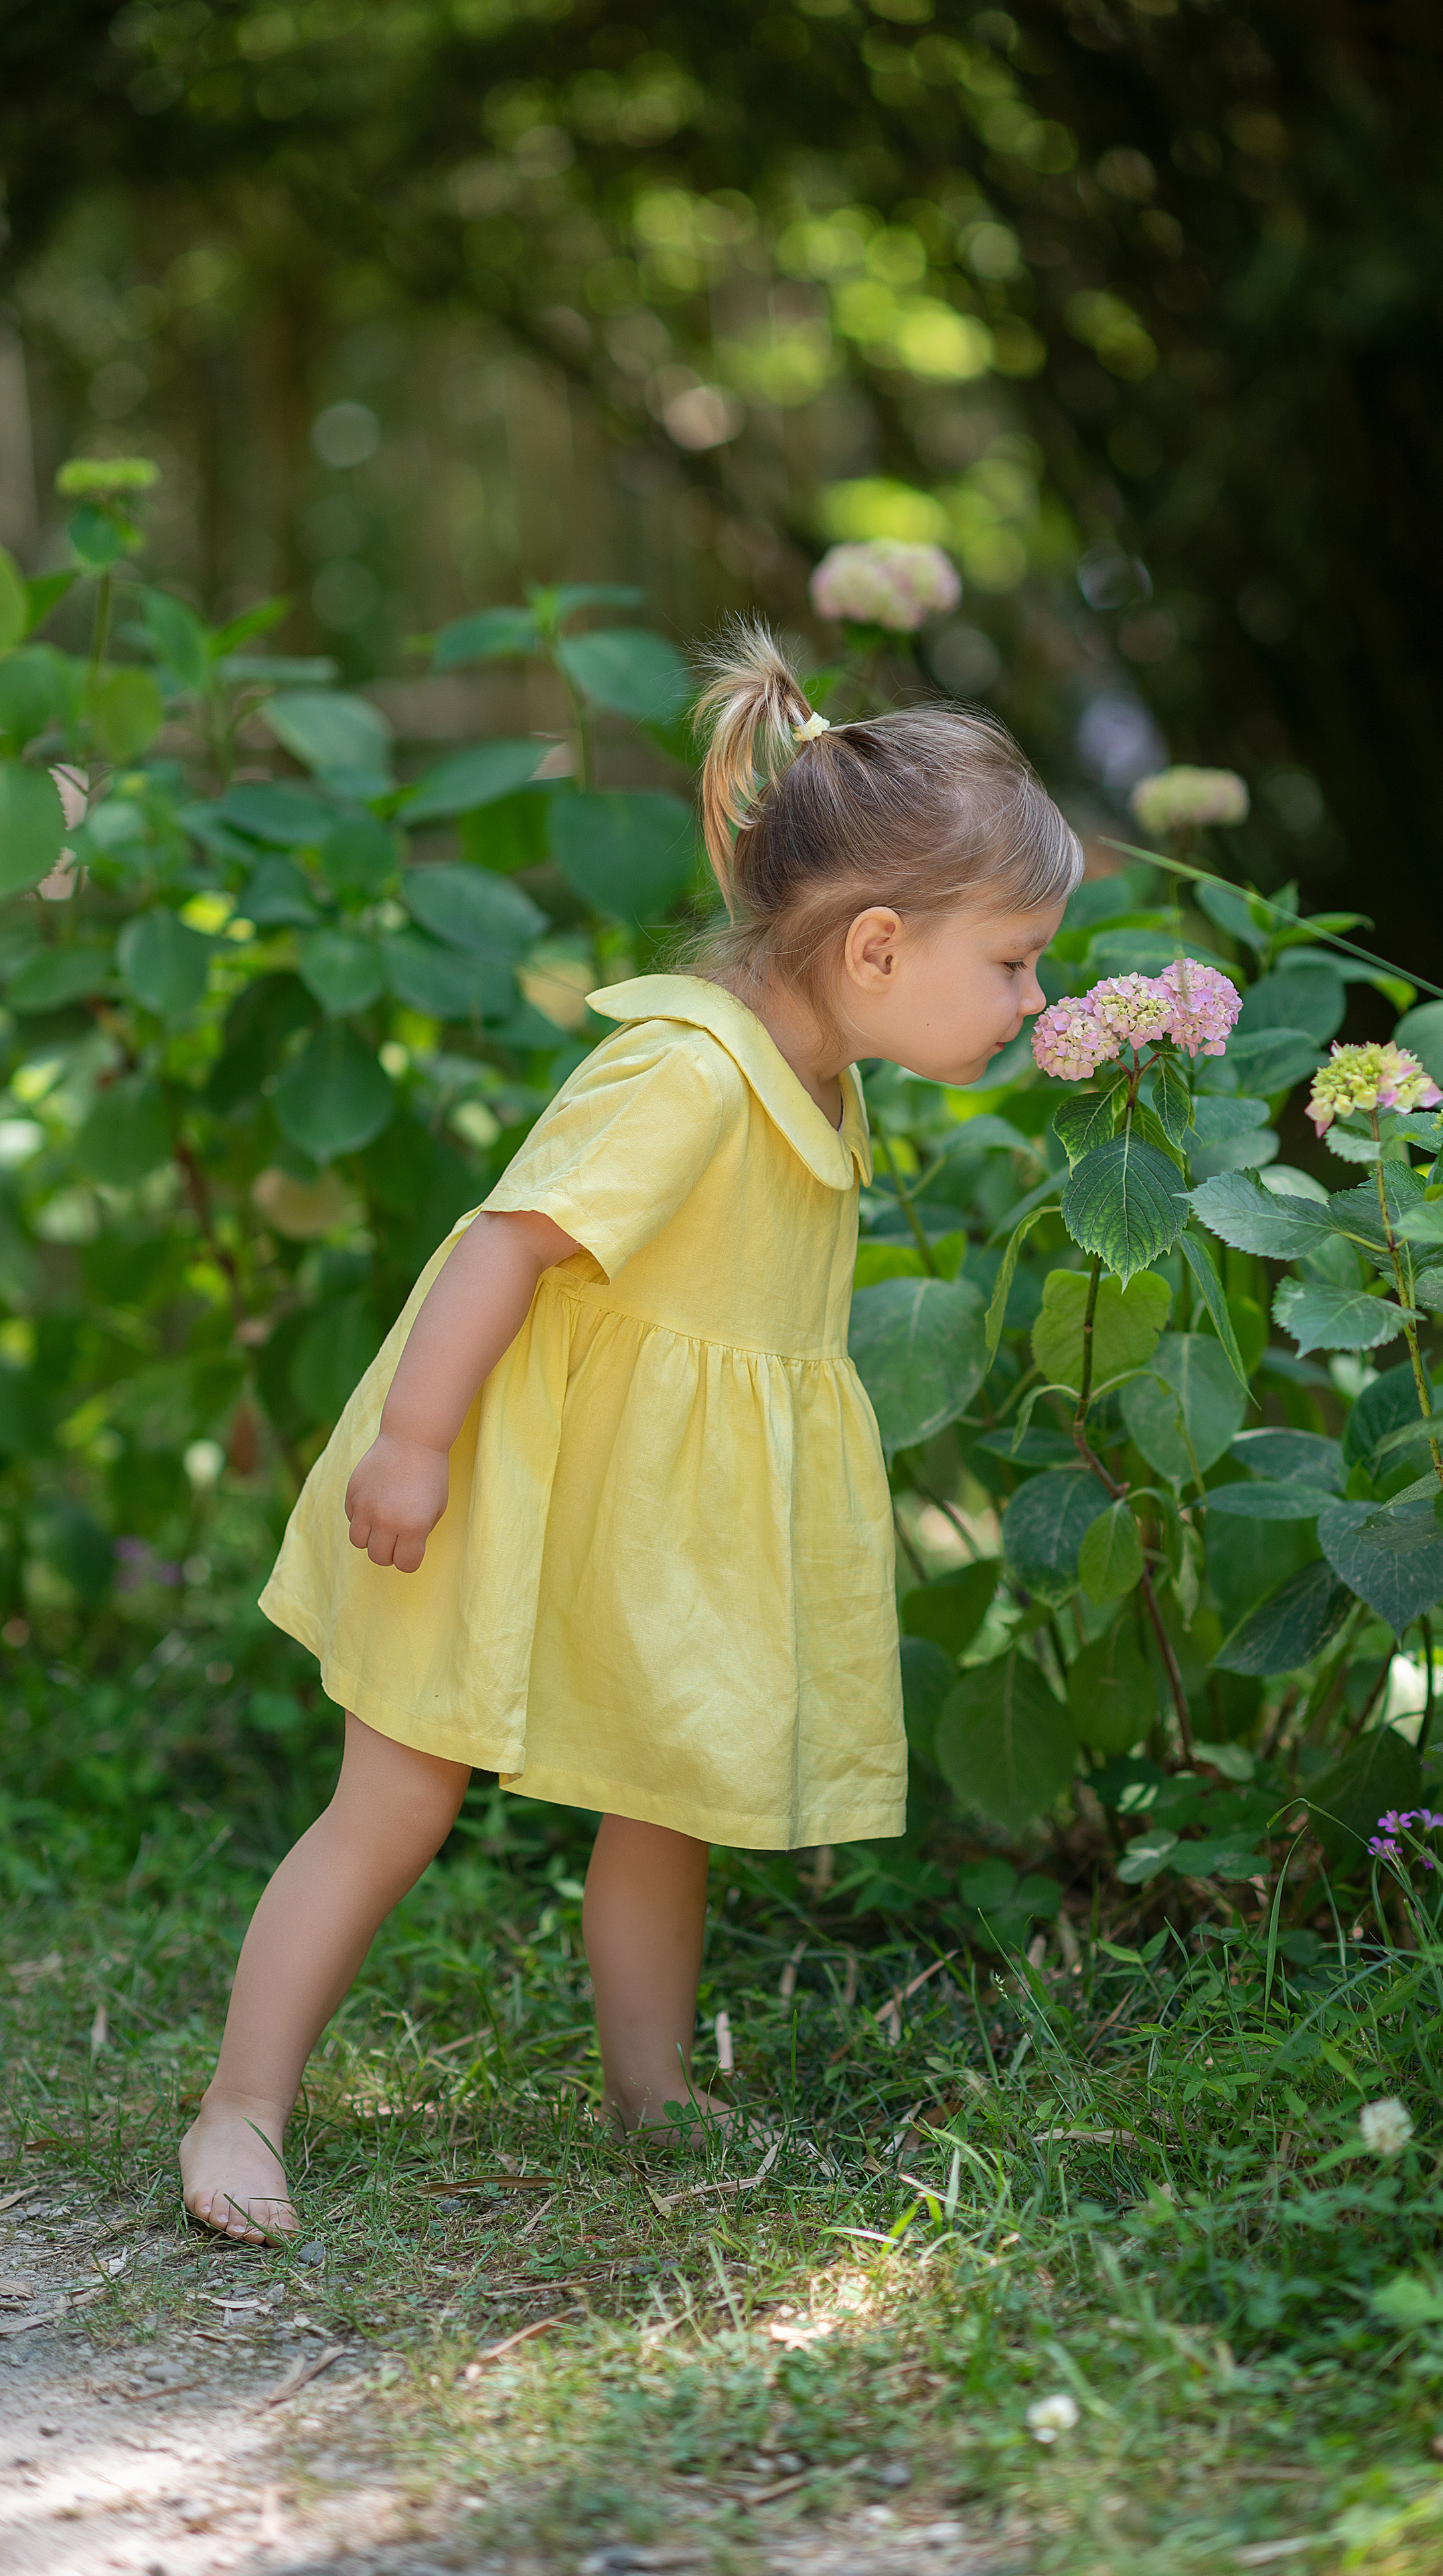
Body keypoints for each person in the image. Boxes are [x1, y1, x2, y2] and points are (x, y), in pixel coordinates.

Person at [178, 623, 1081, 2240]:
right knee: (397, 1799)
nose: (1034, 995)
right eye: (1011, 960)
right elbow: (505, 1240)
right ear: (875, 947)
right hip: (494, 1486)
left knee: (665, 1788)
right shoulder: (685, 1069)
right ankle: (242, 2102)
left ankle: (651, 2089)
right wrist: (414, 1443)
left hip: (642, 1518)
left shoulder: (821, 1073)